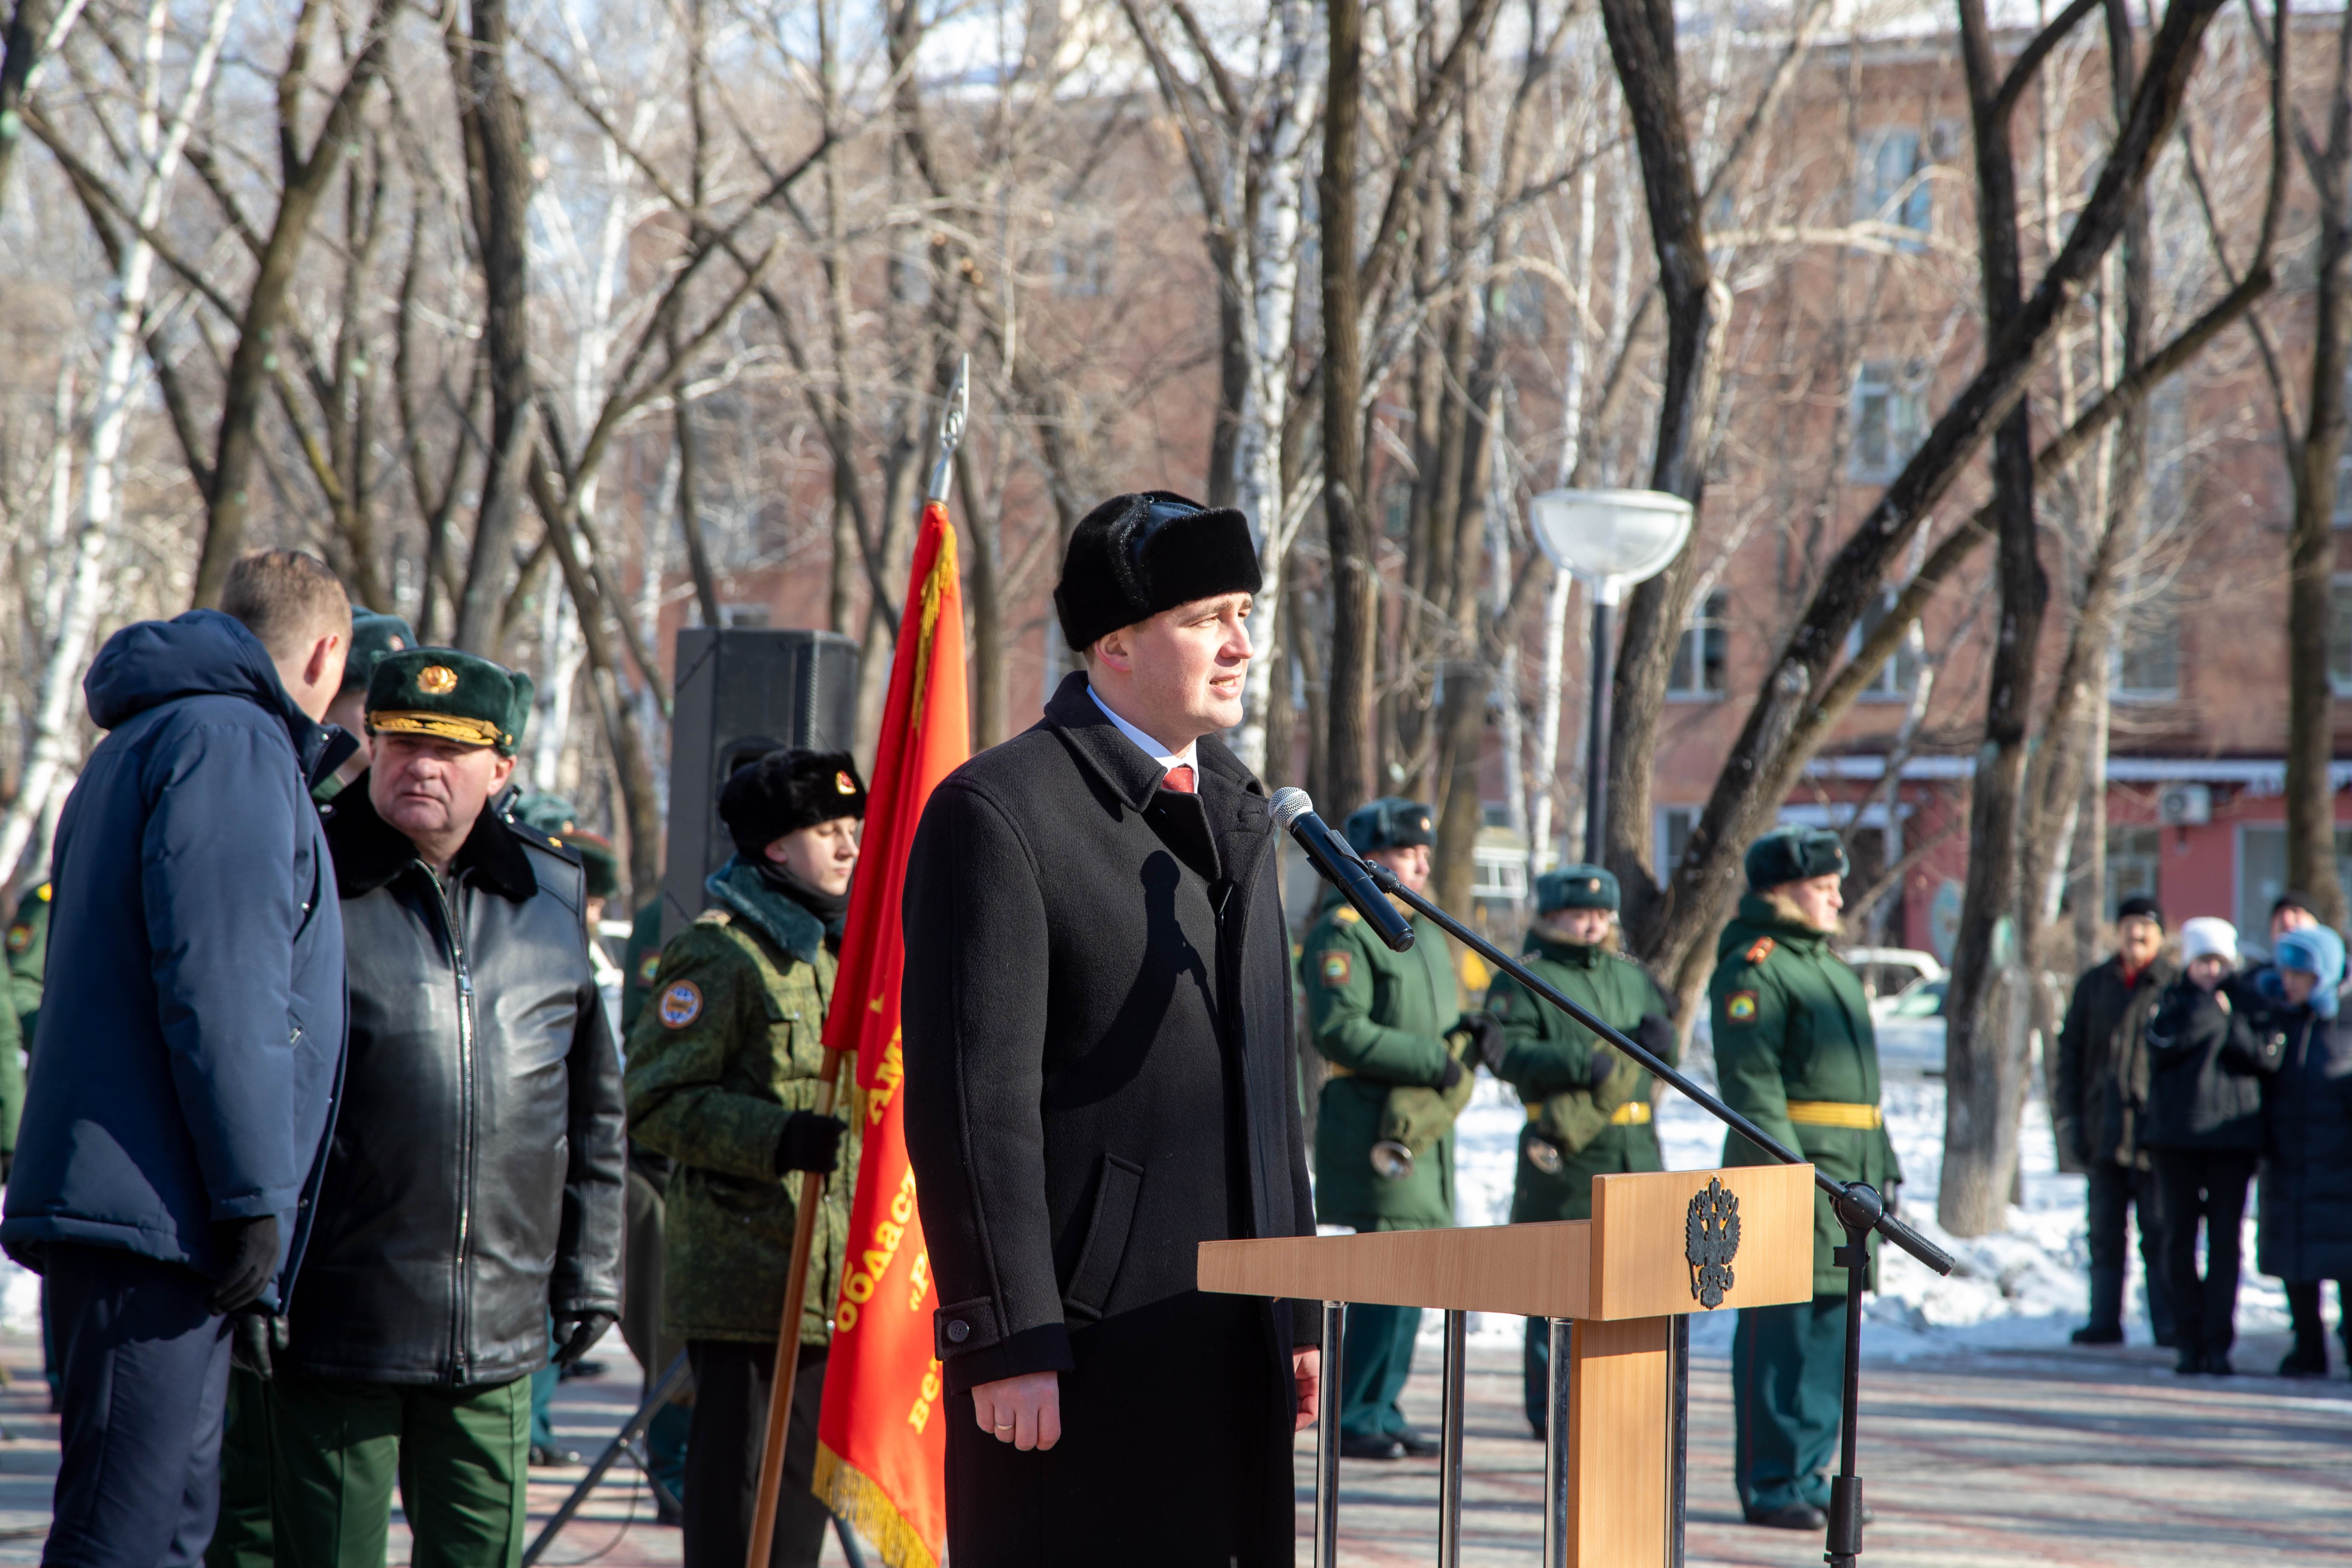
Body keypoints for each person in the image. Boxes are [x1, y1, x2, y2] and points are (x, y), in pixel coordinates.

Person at [902, 491, 1318, 1564]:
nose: (1240, 645)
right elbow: (972, 1107)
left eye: (1242, 613)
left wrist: (1298, 1306)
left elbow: (1267, 1087)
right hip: (1082, 1355)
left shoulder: (1240, 809)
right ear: (1117, 645)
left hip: (1230, 1335)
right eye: (1206, 618)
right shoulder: (1003, 811)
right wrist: (1009, 1336)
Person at [1, 550, 351, 1568]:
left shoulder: (152, 737)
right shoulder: (230, 742)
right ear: (326, 654)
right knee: (127, 1533)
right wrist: (256, 1196)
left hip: (146, 1202)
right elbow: (224, 984)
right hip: (158, 1208)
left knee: (165, 1533)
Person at [260, 647, 626, 1566]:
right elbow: (255, 1088)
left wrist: (591, 1270)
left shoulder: (550, 893)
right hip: (337, 1321)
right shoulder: (305, 874)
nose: (421, 766)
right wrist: (256, 1264)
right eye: (403, 743)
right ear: (371, 747)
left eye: (451, 749)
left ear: (501, 769)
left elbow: (593, 1112)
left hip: (497, 1331)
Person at [624, 749, 864, 1568]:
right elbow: (655, 1101)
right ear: (774, 848)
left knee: (797, 1510)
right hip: (748, 1279)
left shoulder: (844, 950)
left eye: (853, 827)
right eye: (827, 830)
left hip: (832, 1278)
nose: (849, 845)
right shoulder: (720, 953)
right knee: (741, 1505)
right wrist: (777, 1136)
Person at [1710, 826, 1898, 1533]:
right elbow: (1753, 1090)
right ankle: (1770, 1481)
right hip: (1792, 1177)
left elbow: (1861, 1093)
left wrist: (1885, 1168)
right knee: (1779, 1336)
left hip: (1849, 1180)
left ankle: (1809, 1472)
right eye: (1824, 888)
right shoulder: (1756, 968)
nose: (1838, 899)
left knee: (1829, 1336)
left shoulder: (1829, 968)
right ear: (1782, 892)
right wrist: (1794, 1180)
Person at [1300, 796, 1479, 1460]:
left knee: (1418, 1269)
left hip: (1423, 1124)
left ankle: (1384, 1405)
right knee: (1387, 1270)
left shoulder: (1422, 929)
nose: (1423, 866)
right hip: (1374, 1121)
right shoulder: (1345, 931)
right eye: (1408, 853)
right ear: (1368, 859)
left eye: (1426, 854)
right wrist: (1435, 1059)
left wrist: (1469, 1037)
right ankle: (1355, 1413)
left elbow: (1435, 1020)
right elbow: (1340, 1030)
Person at [1484, 865, 1675, 1438]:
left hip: (1635, 1147)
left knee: (1634, 1281)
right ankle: (1554, 1406)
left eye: (1600, 914)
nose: (1593, 925)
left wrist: (1666, 1045)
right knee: (1558, 1282)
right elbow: (1506, 1053)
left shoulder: (1631, 975)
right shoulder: (1525, 977)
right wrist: (1576, 1063)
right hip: (1565, 1152)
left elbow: (1659, 1051)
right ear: (1550, 917)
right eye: (1578, 915)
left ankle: (1623, 1400)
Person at [2054, 894, 2178, 1346]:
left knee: (2160, 1233)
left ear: (2160, 936)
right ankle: (2104, 1319)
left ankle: (2169, 1323)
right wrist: (2069, 1119)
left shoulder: (2172, 985)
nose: (2137, 935)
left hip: (2154, 1135)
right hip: (2102, 1130)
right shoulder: (2095, 984)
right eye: (2129, 926)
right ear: (2118, 931)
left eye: (2146, 927)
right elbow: (2069, 1056)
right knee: (2105, 1234)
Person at [2142, 916, 2263, 1376]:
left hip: (2232, 1141)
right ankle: (2187, 1338)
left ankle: (2218, 1341)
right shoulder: (2171, 1001)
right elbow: (2163, 1044)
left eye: (2219, 961)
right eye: (2203, 961)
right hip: (2177, 1140)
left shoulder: (2248, 1000)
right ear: (2189, 963)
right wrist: (2213, 1012)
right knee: (2178, 1239)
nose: (2212, 970)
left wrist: (2232, 1017)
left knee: (2225, 1243)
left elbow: (2265, 1054)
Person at [2242, 925, 2352, 1378]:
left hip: (2341, 1167)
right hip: (2289, 1162)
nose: (2289, 982)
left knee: (2346, 1262)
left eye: (2300, 974)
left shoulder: (2346, 1021)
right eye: (2285, 972)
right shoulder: (2278, 1019)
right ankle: (2307, 1345)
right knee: (2296, 1261)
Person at [312, 608, 415, 803]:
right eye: (377, 705)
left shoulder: (402, 809)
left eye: (407, 709)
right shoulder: (294, 798)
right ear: (326, 704)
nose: (395, 722)